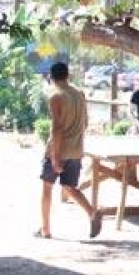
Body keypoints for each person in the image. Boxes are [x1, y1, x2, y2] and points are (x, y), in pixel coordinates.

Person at [38, 62, 102, 239]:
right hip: (76, 149)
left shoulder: (55, 96)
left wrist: (55, 157)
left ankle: (45, 229)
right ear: (67, 76)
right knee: (69, 186)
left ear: (51, 77)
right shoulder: (79, 94)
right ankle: (92, 213)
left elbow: (57, 128)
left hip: (58, 150)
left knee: (47, 188)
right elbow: (86, 122)